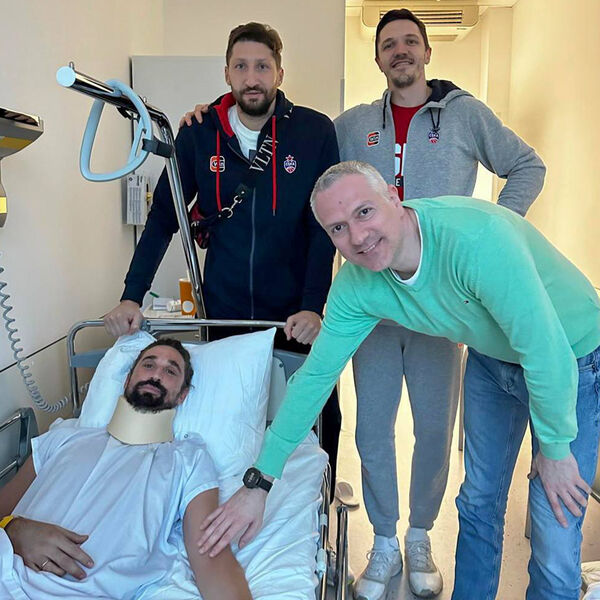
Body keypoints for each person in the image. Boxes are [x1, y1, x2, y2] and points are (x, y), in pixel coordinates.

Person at [197, 161, 600, 600]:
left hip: (572, 353)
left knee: (554, 515)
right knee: (478, 503)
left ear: (394, 196)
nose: (357, 237)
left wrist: (555, 449)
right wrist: (259, 483)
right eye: (338, 228)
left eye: (364, 212)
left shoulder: (476, 240)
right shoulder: (356, 286)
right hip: (491, 358)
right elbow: (314, 379)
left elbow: (546, 351)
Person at [329, 8, 545, 599]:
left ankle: (420, 534)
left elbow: (528, 166)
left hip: (441, 304)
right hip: (373, 307)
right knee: (372, 429)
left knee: (432, 427)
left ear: (427, 52)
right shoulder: (353, 125)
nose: (399, 51)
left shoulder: (465, 115)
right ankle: (383, 539)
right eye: (388, 44)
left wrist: (489, 235)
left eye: (410, 42)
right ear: (378, 57)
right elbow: (300, 157)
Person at [103, 22, 342, 494]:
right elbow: (164, 218)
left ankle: (318, 499)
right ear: (227, 73)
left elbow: (324, 228)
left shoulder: (314, 132)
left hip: (293, 313)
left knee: (316, 413)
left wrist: (313, 305)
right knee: (231, 416)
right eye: (241, 67)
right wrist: (131, 295)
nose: (252, 78)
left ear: (279, 73)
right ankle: (234, 492)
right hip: (224, 312)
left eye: (262, 67)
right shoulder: (198, 133)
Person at [0, 339, 252, 599]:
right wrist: (13, 529)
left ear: (183, 395)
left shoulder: (188, 459)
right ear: (127, 379)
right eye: (148, 365)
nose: (156, 375)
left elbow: (212, 559)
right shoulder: (64, 437)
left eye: (170, 371)